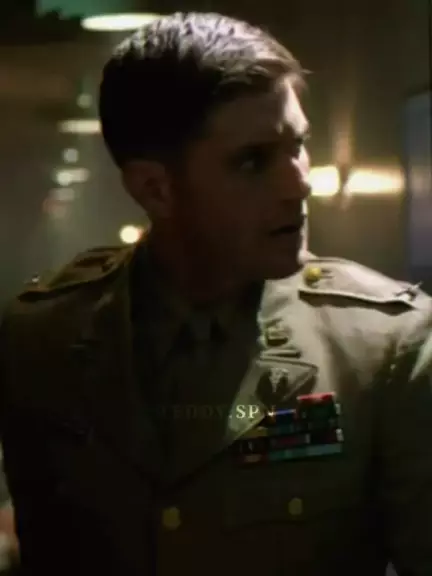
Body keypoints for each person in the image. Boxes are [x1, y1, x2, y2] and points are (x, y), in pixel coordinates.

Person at [1, 11, 432, 576]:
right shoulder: (42, 340)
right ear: (155, 189)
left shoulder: (383, 346)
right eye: (252, 161)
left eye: (298, 145)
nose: (299, 183)